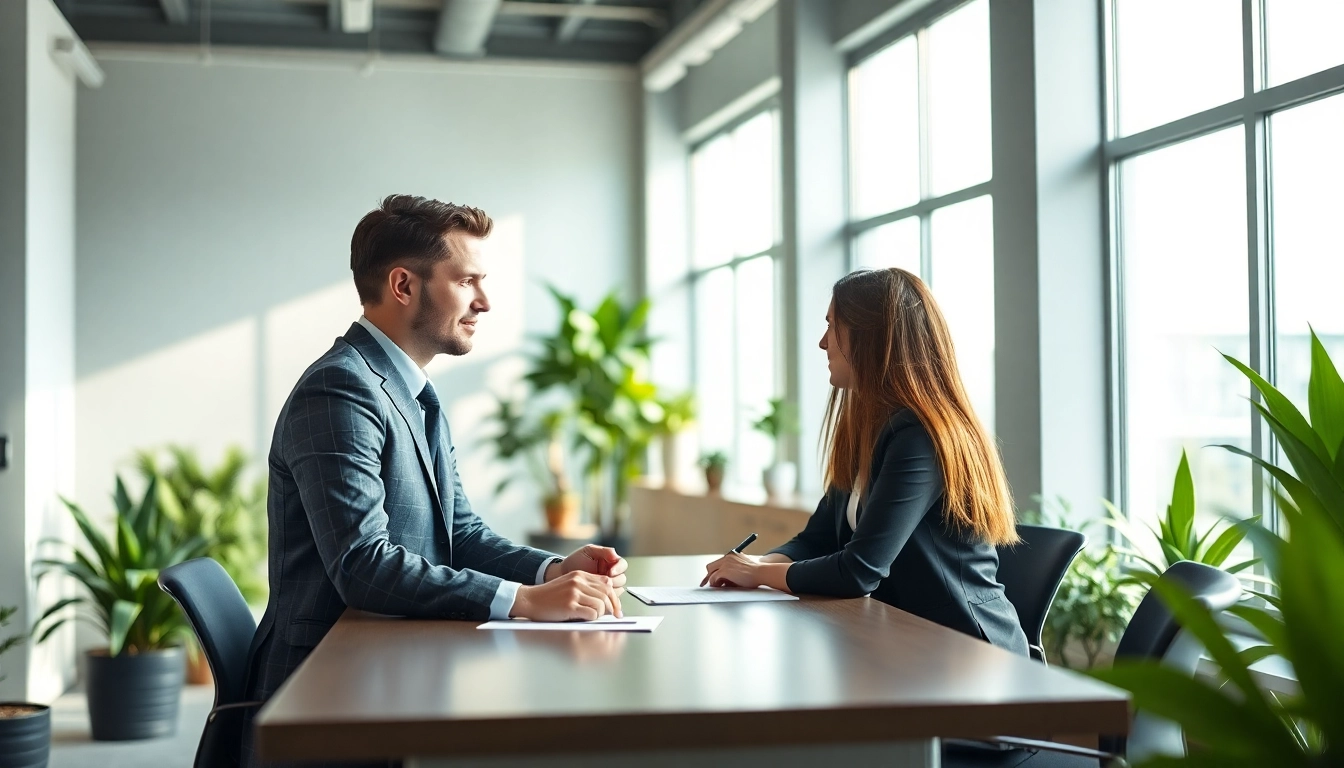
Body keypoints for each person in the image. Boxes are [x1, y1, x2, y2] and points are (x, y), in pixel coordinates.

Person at [241, 195, 627, 767]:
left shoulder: (411, 391)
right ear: (404, 285)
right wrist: (522, 601)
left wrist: (552, 569)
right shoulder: (341, 390)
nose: (485, 301)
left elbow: (460, 531)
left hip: (389, 662)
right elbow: (362, 564)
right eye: (467, 279)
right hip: (326, 689)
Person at [703, 268, 1028, 655]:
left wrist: (758, 573)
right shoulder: (868, 430)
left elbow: (859, 571)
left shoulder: (920, 436)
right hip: (903, 640)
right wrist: (757, 562)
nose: (823, 343)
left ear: (870, 337)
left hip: (965, 650)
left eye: (832, 327)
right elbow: (818, 537)